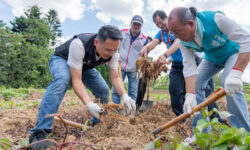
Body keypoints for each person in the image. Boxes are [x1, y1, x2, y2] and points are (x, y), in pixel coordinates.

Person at [29, 25, 136, 149]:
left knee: (103, 90)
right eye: (107, 50)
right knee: (61, 80)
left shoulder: (113, 54)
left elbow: (116, 77)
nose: (110, 54)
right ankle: (39, 133)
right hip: (62, 59)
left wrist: (125, 95)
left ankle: (98, 123)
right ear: (97, 42)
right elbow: (76, 80)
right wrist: (89, 104)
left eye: (114, 50)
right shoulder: (79, 44)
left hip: (85, 67)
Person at [167, 7, 250, 141]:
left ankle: (242, 134)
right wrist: (190, 94)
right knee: (196, 85)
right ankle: (201, 134)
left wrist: (236, 73)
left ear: (191, 24)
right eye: (174, 34)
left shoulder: (216, 20)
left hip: (233, 53)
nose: (177, 38)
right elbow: (189, 67)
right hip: (212, 59)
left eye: (178, 33)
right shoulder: (183, 41)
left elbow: (247, 40)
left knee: (228, 82)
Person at [140, 10, 186, 116]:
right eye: (157, 24)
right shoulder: (161, 33)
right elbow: (154, 43)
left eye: (161, 22)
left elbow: (177, 43)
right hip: (177, 64)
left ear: (166, 17)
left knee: (197, 90)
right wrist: (145, 47)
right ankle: (180, 118)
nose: (160, 26)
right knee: (174, 89)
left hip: (190, 62)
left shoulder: (175, 27)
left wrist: (165, 55)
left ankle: (213, 117)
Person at [112, 15, 148, 107]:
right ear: (131, 23)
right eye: (134, 23)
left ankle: (130, 112)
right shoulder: (122, 33)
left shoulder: (144, 39)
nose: (136, 26)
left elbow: (145, 55)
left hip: (134, 69)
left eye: (138, 25)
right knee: (116, 90)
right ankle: (116, 111)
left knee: (132, 92)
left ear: (141, 26)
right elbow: (114, 44)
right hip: (121, 66)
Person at [136, 36, 152, 110]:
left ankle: (139, 105)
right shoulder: (139, 54)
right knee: (138, 90)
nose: (149, 44)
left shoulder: (147, 57)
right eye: (148, 42)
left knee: (143, 91)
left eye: (150, 43)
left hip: (144, 77)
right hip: (138, 76)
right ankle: (136, 105)